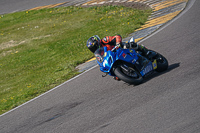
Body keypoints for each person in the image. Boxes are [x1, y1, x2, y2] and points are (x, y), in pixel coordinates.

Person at [86, 35, 151, 57]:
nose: (94, 49)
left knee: (130, 45)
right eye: (92, 48)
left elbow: (117, 36)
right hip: (115, 57)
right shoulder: (99, 54)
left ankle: (146, 51)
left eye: (94, 47)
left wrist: (118, 44)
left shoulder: (104, 40)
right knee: (116, 77)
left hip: (120, 48)